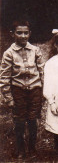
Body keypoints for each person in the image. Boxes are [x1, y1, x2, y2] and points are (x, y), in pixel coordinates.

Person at [0, 20, 44, 159]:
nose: (23, 36)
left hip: (35, 90)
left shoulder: (36, 50)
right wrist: (8, 97)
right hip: (18, 91)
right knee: (19, 121)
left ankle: (32, 148)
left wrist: (44, 91)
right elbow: (4, 77)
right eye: (19, 33)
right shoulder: (9, 54)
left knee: (33, 120)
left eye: (26, 33)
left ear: (30, 33)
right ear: (13, 34)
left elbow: (42, 71)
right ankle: (20, 149)